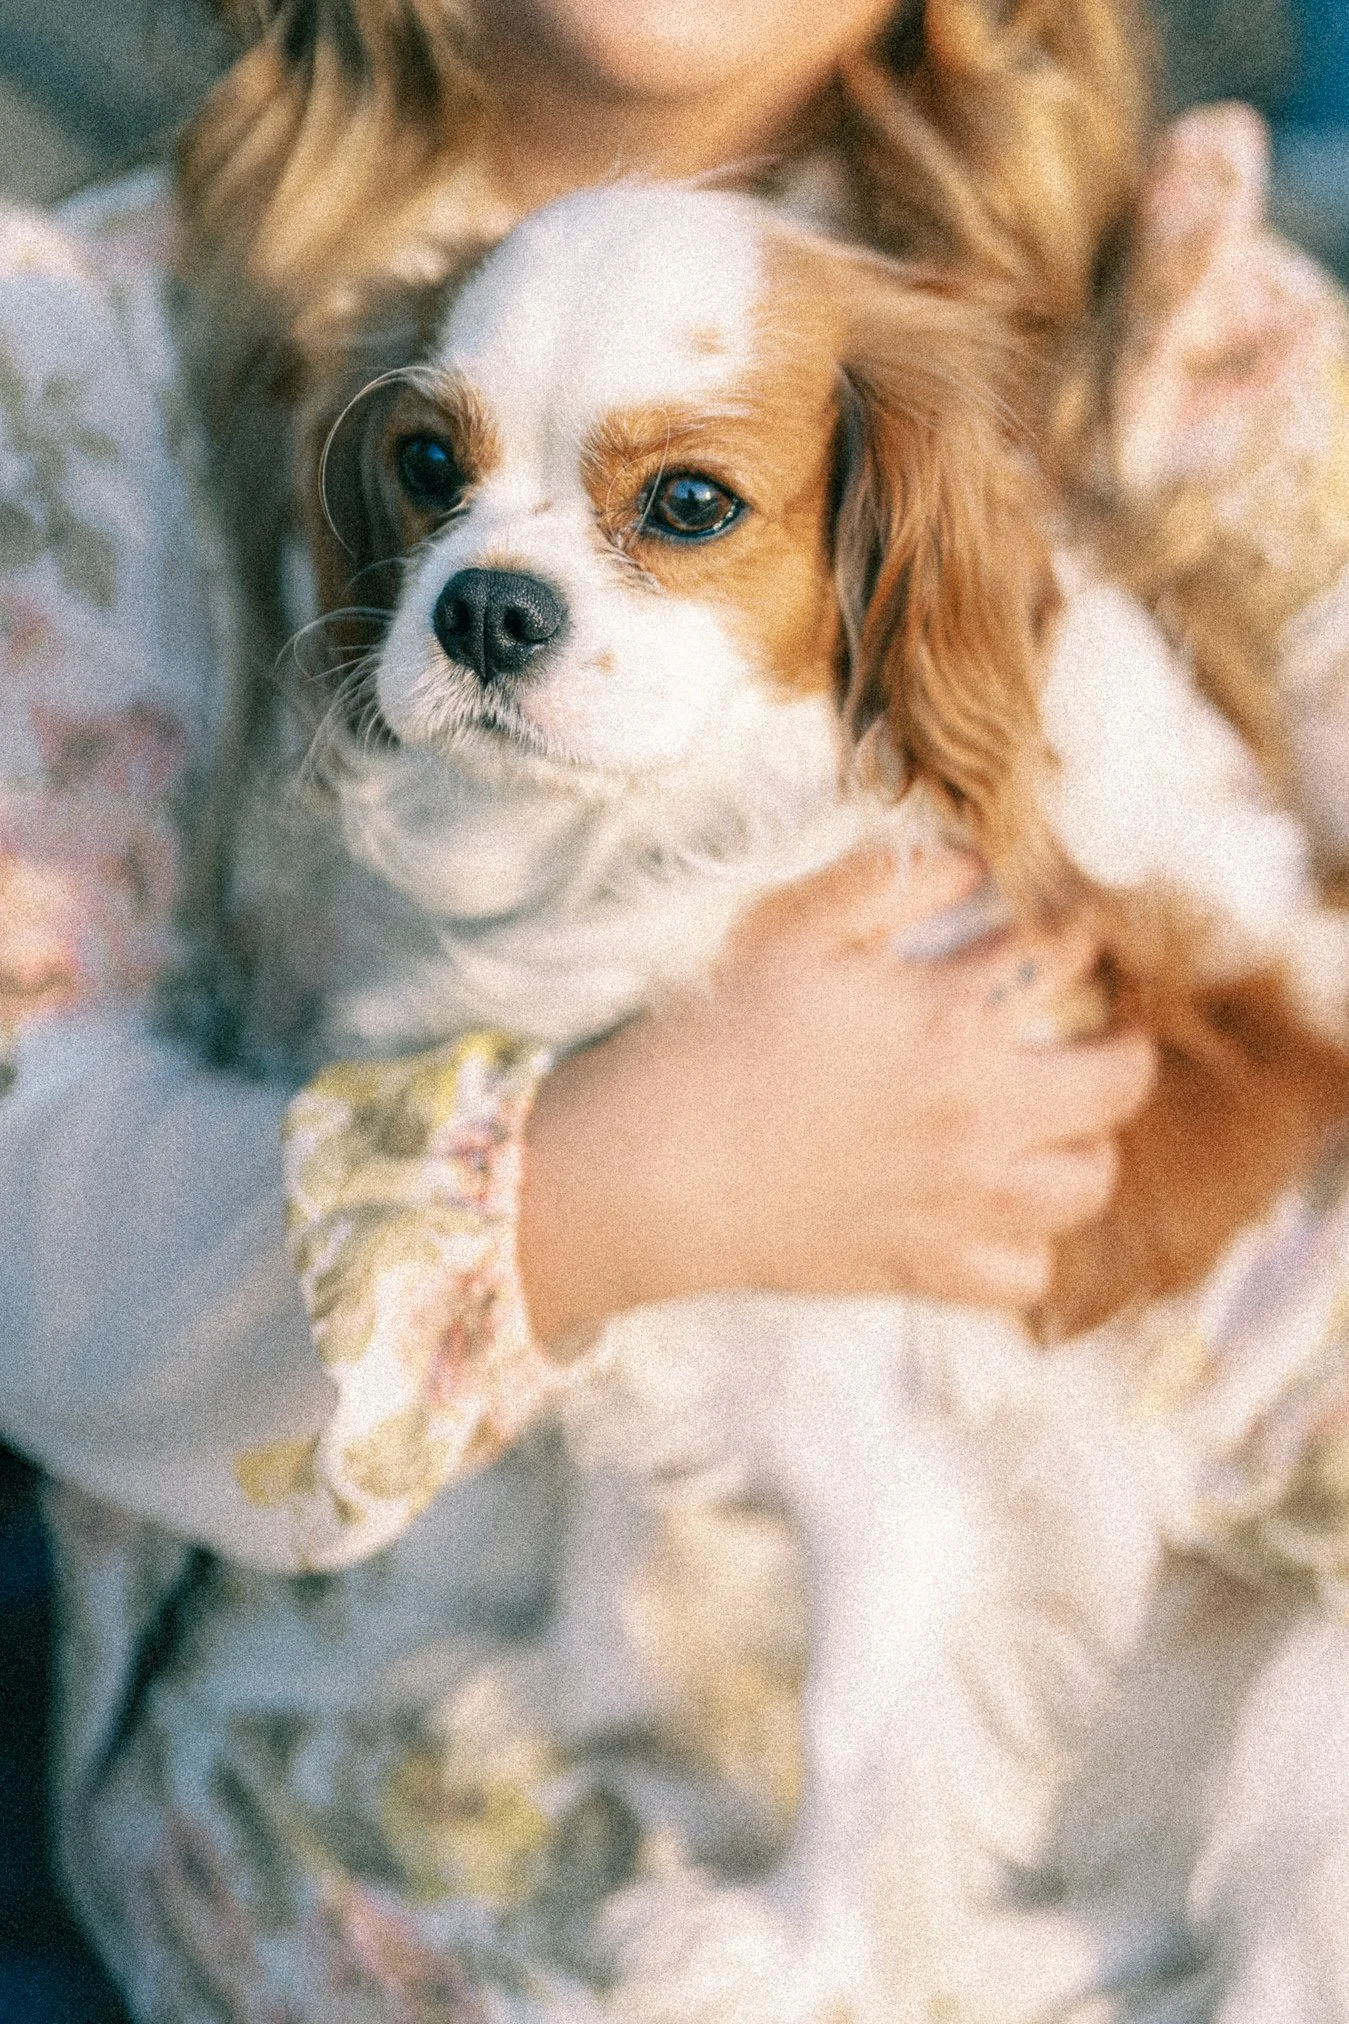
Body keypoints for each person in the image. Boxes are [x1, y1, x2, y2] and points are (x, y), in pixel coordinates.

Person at [0, 0, 1344, 2015]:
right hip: (408, 1761)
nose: (493, 569)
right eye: (434, 475)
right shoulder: (83, 358)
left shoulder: (1169, 330)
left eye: (685, 507)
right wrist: (608, 1182)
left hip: (1142, 1718)